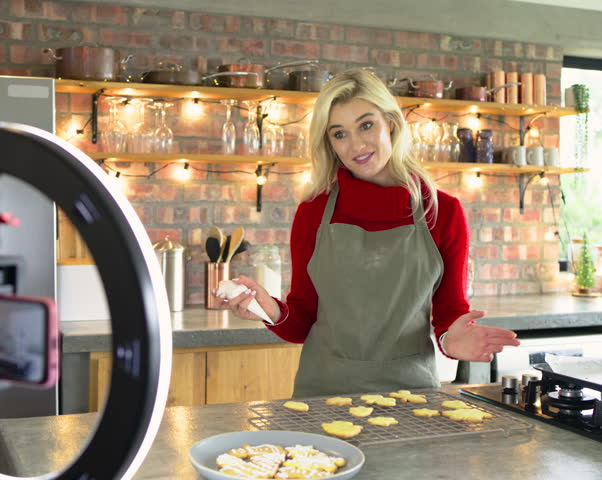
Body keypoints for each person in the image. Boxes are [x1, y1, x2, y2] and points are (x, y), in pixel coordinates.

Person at [213, 69, 520, 397]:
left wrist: (450, 340)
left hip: (412, 396)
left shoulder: (442, 212)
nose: (356, 144)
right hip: (322, 395)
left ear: (390, 122)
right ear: (328, 143)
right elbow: (303, 318)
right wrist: (268, 310)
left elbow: (449, 312)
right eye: (339, 134)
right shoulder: (313, 212)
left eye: (366, 125)